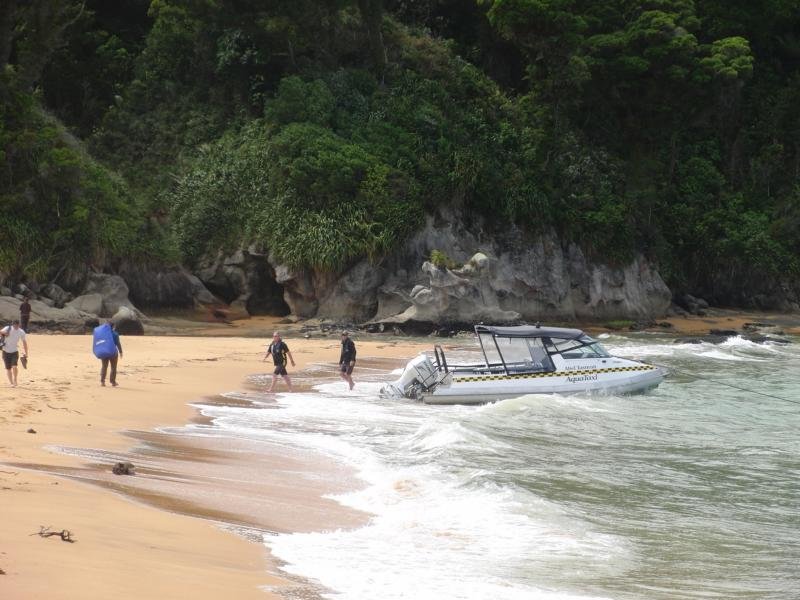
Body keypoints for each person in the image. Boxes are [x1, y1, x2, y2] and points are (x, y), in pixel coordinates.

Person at [94, 321, 123, 387]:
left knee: (104, 367)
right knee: (113, 368)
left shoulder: (103, 334)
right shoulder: (115, 334)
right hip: (113, 353)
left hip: (104, 352)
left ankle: (102, 382)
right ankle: (113, 382)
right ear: (113, 327)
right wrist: (121, 352)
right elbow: (118, 343)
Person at [1, 319, 29, 387]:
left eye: (17, 325)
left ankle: (15, 380)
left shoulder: (21, 332)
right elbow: (1, 331)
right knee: (8, 368)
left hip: (14, 351)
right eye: (14, 325)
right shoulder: (8, 328)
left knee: (14, 366)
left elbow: (24, 342)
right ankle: (11, 383)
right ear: (12, 324)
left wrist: (26, 353)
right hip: (5, 351)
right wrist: (4, 333)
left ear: (19, 325)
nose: (15, 326)